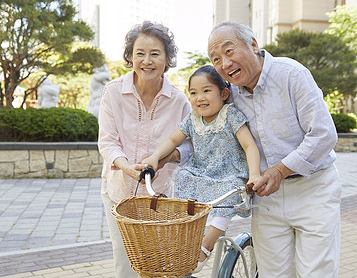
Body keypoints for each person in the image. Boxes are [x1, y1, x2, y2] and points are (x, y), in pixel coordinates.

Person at [208, 21, 342, 278]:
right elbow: (204, 131)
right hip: (266, 199)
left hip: (313, 188)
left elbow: (324, 134)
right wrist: (172, 154)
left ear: (253, 45)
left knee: (316, 273)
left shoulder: (291, 73)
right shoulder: (230, 94)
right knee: (273, 274)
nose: (224, 64)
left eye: (229, 51)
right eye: (216, 59)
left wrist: (280, 171)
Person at [142, 65, 262, 273]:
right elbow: (172, 139)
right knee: (182, 177)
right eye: (194, 93)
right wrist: (154, 157)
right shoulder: (192, 119)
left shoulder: (230, 115)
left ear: (224, 93)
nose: (200, 98)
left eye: (207, 91)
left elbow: (249, 145)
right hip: (201, 171)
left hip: (229, 173)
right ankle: (182, 242)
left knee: (231, 191)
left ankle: (206, 246)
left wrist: (254, 175)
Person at [97, 21, 191, 278]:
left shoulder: (179, 100)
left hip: (157, 196)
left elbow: (189, 146)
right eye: (140, 53)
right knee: (125, 264)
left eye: (155, 54)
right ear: (130, 56)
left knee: (156, 265)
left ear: (167, 58)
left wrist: (165, 158)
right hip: (119, 193)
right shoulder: (113, 92)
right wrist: (127, 167)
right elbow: (107, 141)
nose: (147, 61)